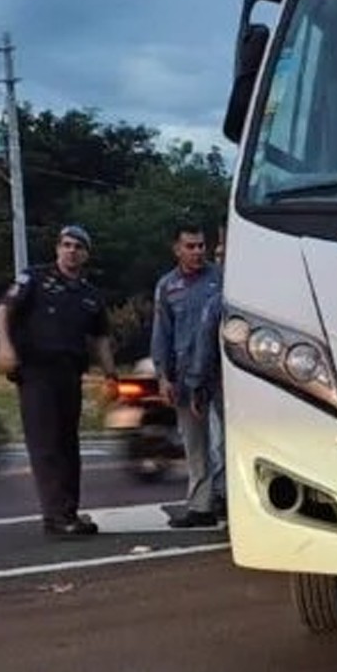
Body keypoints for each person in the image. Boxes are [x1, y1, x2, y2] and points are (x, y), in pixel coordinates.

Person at [0, 225, 117, 537]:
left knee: (67, 444)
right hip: (36, 370)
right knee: (46, 443)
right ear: (57, 248)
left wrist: (111, 375)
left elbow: (101, 339)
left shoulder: (89, 295)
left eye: (77, 246)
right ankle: (56, 516)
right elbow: (2, 312)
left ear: (86, 254)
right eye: (66, 244)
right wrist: (4, 346)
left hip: (70, 372)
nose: (71, 250)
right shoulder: (34, 279)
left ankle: (68, 512)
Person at [149, 221, 225, 528]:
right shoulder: (168, 286)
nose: (197, 252)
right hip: (184, 376)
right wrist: (162, 375)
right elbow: (161, 334)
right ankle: (200, 506)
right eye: (190, 246)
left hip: (222, 374)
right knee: (195, 445)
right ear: (177, 249)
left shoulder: (221, 280)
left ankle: (227, 499)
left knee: (228, 441)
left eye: (201, 246)